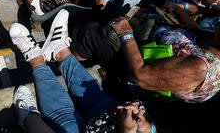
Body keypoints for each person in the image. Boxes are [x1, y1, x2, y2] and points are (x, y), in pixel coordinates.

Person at [8, 10, 157, 133]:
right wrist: (148, 128)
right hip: (115, 122)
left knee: (64, 120)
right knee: (95, 96)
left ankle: (35, 59)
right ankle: (60, 51)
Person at [111, 16, 220, 103]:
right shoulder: (212, 39)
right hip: (144, 38)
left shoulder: (201, 67)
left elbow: (141, 76)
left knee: (96, 31)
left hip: (130, 70)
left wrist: (125, 35)